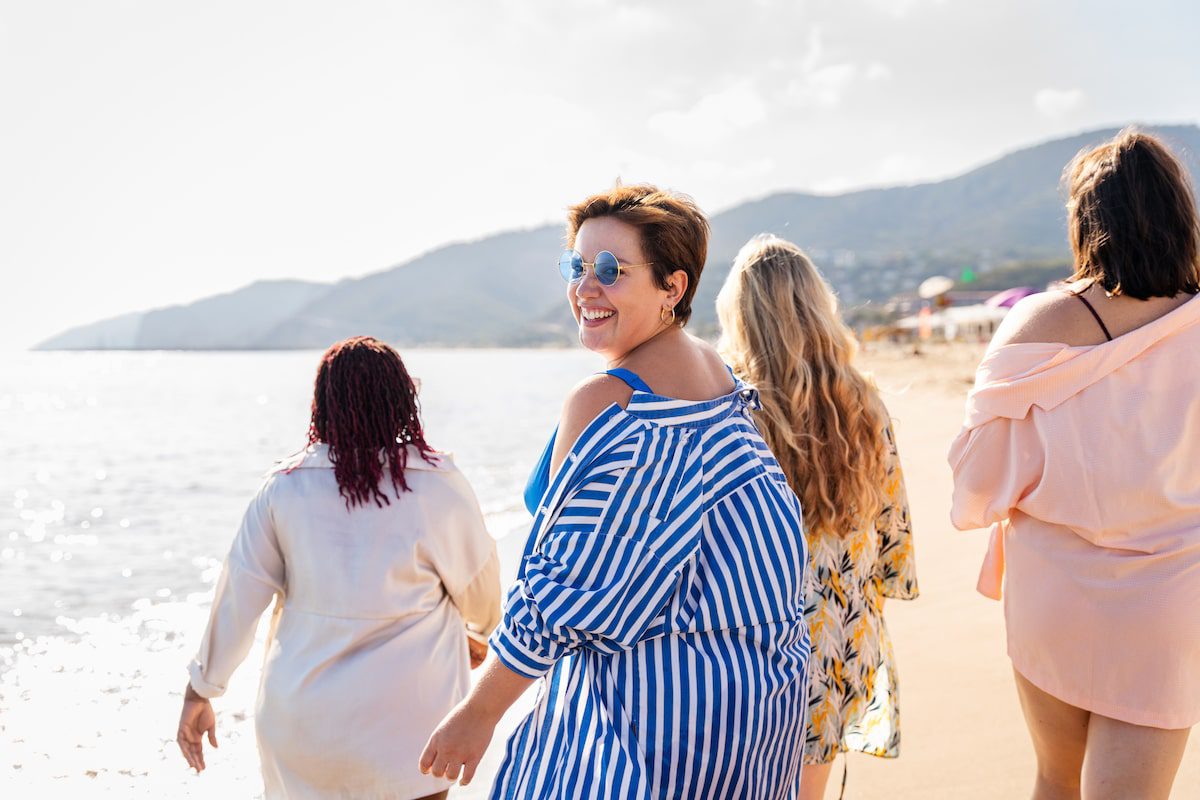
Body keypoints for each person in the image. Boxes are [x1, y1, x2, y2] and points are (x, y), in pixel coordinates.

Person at [419, 185, 811, 798]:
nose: (585, 287)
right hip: (754, 715)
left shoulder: (615, 404)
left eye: (610, 270)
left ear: (672, 288)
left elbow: (566, 588)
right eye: (577, 266)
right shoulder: (719, 381)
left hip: (652, 730)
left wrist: (479, 713)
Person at [949, 129, 1200, 799]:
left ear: (1087, 222)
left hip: (1056, 593)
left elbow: (976, 482)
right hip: (1171, 600)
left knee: (1055, 782)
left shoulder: (1037, 322)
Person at [176, 336, 501, 800]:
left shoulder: (283, 488)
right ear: (402, 399)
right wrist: (476, 633)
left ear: (323, 404)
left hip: (306, 730)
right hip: (412, 727)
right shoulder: (437, 484)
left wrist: (201, 690)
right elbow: (481, 593)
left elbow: (237, 599)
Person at [717, 235, 919, 800]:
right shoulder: (866, 403)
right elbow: (893, 539)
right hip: (841, 640)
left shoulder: (730, 408)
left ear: (738, 315)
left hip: (760, 644)